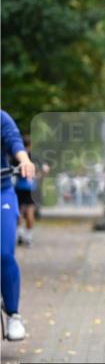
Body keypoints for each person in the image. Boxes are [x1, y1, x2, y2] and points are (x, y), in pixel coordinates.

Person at [1, 110, 35, 341]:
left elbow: (14, 140)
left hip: (1, 192)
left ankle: (13, 314)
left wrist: (24, 159)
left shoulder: (1, 118)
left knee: (4, 254)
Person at [14, 135, 39, 246]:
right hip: (30, 187)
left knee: (19, 209)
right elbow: (42, 170)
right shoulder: (34, 156)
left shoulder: (16, 155)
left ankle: (19, 233)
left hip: (18, 186)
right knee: (30, 210)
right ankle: (28, 236)